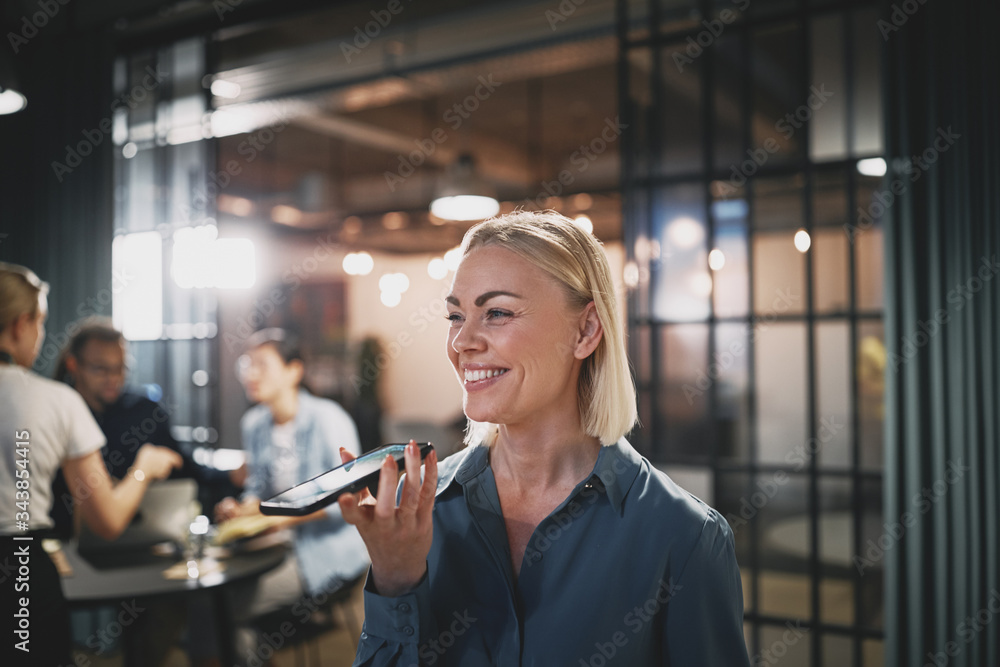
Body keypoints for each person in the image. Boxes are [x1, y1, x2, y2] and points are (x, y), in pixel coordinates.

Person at [337, 212, 751, 666]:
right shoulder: (419, 513)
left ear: (586, 330)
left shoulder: (684, 538)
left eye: (496, 313)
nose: (462, 342)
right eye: (456, 315)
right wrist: (396, 582)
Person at [0, 262, 181, 666]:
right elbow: (108, 520)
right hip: (22, 569)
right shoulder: (57, 402)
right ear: (20, 324)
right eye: (40, 323)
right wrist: (144, 467)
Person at [213, 328, 370, 661]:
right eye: (247, 364)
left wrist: (276, 518)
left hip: (326, 550)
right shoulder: (254, 423)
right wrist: (241, 508)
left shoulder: (328, 418)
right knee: (215, 592)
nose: (251, 374)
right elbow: (258, 488)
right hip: (274, 545)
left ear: (294, 371)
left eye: (262, 365)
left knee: (229, 604)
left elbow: (345, 496)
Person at [48, 319, 245, 537]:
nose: (113, 378)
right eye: (100, 369)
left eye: (120, 368)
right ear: (73, 365)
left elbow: (186, 469)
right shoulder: (55, 414)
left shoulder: (145, 413)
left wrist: (231, 476)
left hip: (142, 539)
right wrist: (143, 470)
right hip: (67, 542)